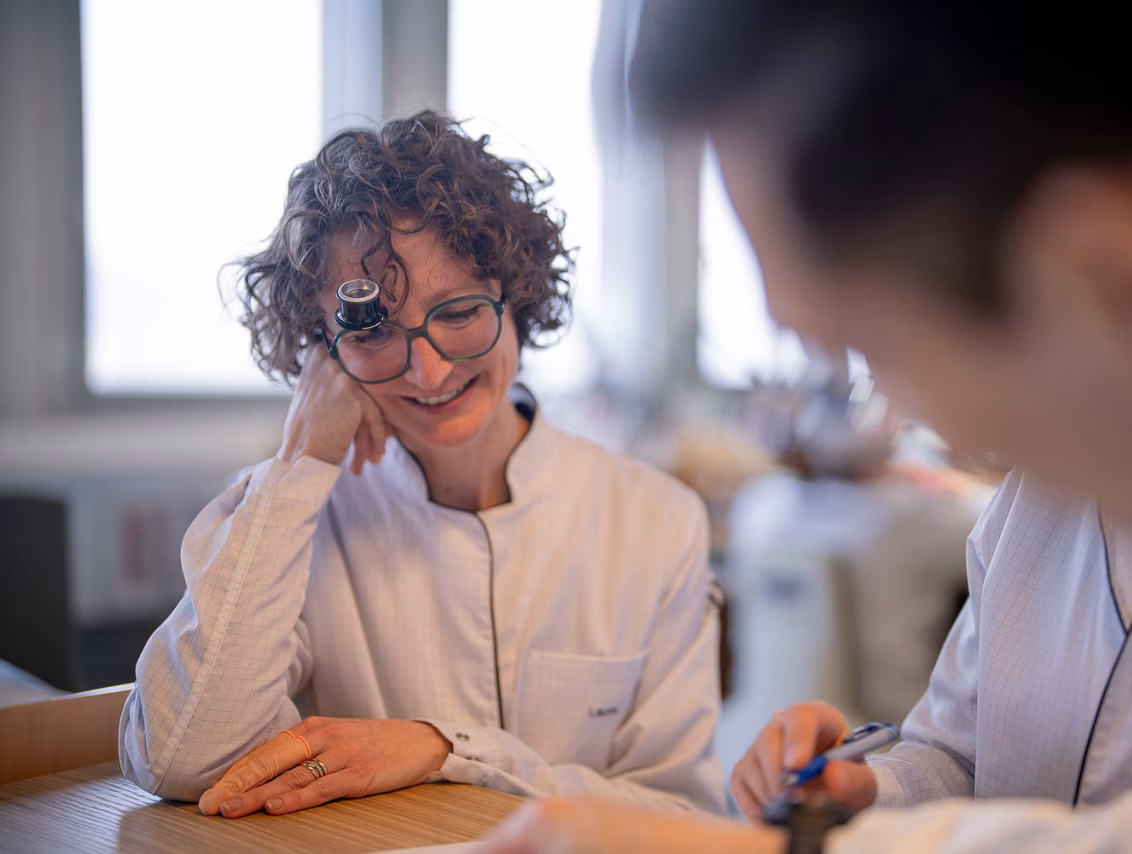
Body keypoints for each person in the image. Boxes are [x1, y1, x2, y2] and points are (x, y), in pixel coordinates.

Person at [475, 1, 1132, 851]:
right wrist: (864, 793)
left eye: (876, 341)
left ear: (1127, 288)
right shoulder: (1046, 502)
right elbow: (962, 757)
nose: (900, 415)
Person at [118, 109, 725, 819]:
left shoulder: (654, 520)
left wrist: (444, 750)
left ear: (516, 296)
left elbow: (685, 817)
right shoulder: (291, 516)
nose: (429, 369)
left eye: (460, 311)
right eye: (373, 330)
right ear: (323, 351)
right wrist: (302, 458)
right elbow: (181, 755)